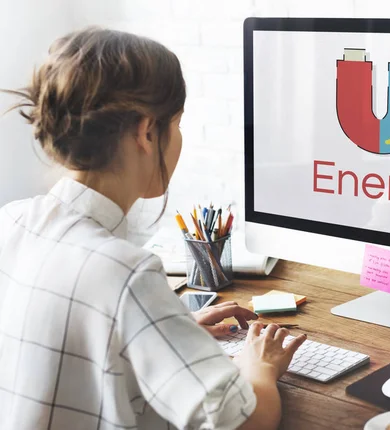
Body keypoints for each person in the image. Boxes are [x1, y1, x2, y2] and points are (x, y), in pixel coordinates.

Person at [0, 27, 306, 430]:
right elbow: (245, 421)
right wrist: (259, 367)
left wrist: (165, 330)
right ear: (147, 132)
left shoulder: (11, 221)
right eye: (176, 124)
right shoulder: (126, 273)